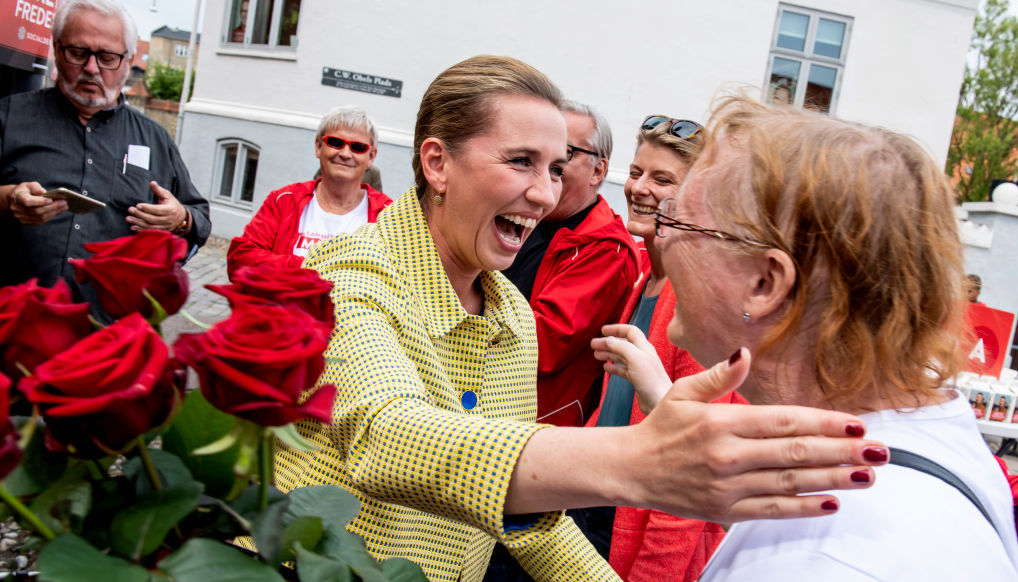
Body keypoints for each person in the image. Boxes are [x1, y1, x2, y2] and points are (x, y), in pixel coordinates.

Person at [273, 56, 889, 582]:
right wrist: (633, 463)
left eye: (554, 168)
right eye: (521, 162)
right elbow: (390, 439)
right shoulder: (347, 275)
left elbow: (529, 521)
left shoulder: (510, 312)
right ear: (437, 164)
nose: (544, 194)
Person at [594, 94, 1018, 580]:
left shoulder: (818, 557)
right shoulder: (922, 427)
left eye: (680, 220)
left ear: (765, 283)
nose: (661, 238)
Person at [578, 116, 747, 581]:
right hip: (600, 504)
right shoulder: (646, 278)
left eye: (662, 178)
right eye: (636, 173)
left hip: (638, 527)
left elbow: (694, 469)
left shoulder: (698, 296)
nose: (640, 188)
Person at [0, 0, 210, 318]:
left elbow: (199, 220)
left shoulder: (154, 139)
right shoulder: (8, 117)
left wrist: (181, 219)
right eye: (78, 53)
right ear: (57, 50)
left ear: (127, 62)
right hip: (14, 331)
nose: (92, 68)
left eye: (107, 57)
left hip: (106, 340)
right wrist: (5, 199)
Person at [501, 101, 639, 427]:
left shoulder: (607, 248)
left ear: (599, 171)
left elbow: (545, 344)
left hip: (534, 426)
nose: (553, 164)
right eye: (543, 152)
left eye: (566, 152)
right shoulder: (528, 216)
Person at [226, 105, 390, 278]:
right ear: (319, 147)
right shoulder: (284, 200)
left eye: (358, 147)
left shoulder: (387, 215)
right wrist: (309, 267)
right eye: (335, 142)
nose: (345, 153)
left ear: (371, 156)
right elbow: (240, 260)